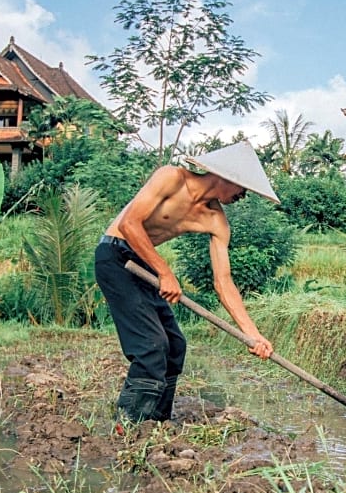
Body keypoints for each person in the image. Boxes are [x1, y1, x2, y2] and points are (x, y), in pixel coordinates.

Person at [94, 140, 279, 422]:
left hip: (144, 263)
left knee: (175, 345)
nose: (244, 195)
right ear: (227, 177)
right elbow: (129, 224)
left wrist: (251, 334)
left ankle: (156, 422)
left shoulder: (216, 221)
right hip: (115, 255)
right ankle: (130, 427)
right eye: (243, 187)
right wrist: (165, 273)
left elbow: (224, 282)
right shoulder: (171, 177)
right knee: (152, 345)